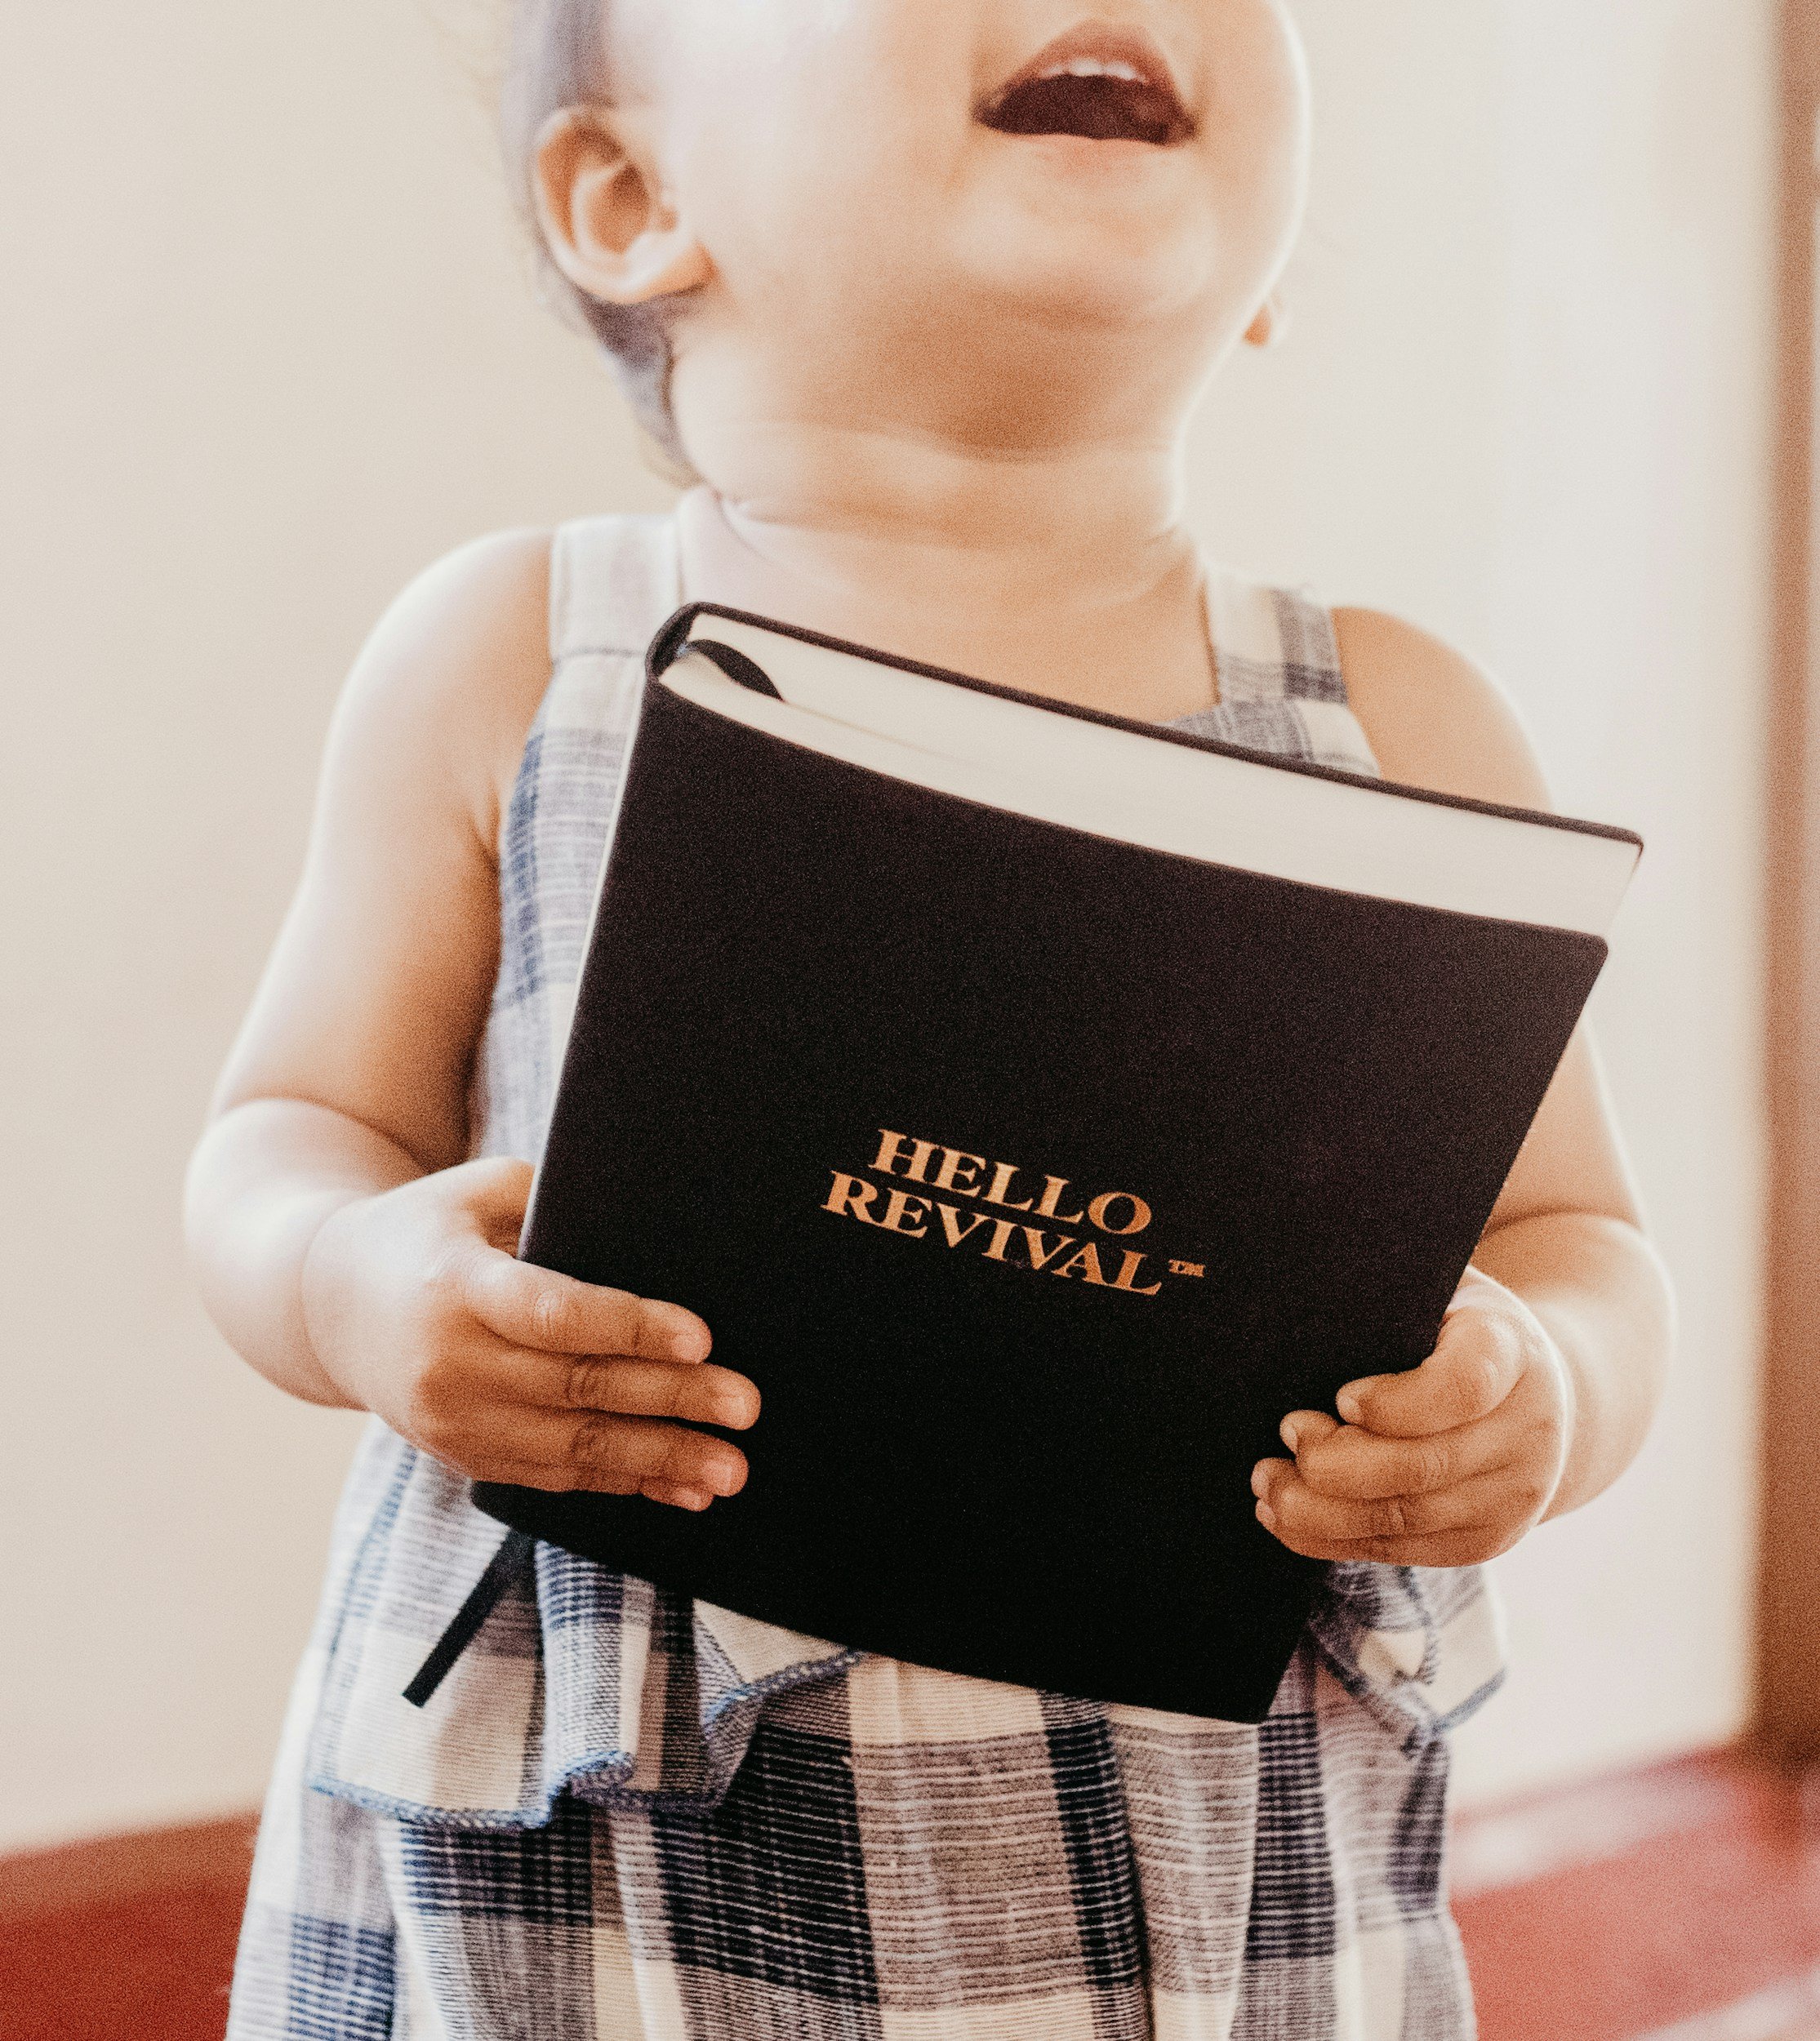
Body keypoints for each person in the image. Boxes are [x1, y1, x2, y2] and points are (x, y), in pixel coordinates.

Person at [185, 2, 1675, 2034]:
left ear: (1263, 280)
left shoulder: (1398, 733)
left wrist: (1548, 1389)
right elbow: (286, 1129)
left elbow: (1574, 1241)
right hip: (596, 1886)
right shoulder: (517, 660)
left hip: (1213, 1877)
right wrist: (354, 1278)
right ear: (631, 197)